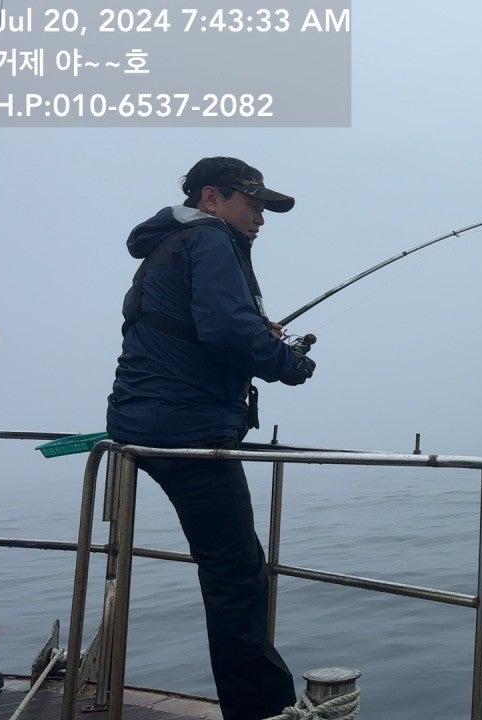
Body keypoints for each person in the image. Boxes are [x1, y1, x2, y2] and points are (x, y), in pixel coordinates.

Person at [106, 156, 315, 720]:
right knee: (237, 575)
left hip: (142, 424)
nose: (260, 218)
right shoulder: (211, 240)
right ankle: (261, 710)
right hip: (185, 431)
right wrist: (287, 362)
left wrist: (257, 332)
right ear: (211, 198)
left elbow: (199, 327)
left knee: (231, 566)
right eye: (253, 204)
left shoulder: (171, 245)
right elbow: (226, 331)